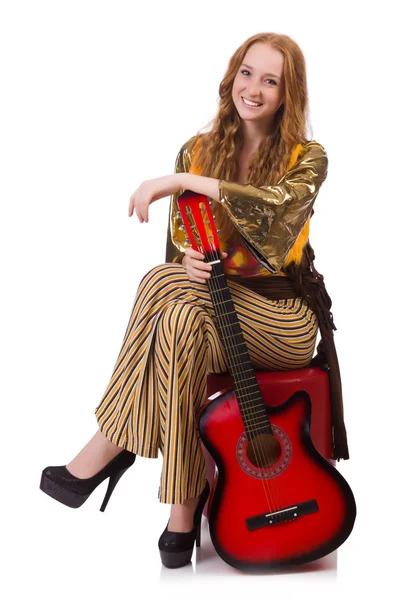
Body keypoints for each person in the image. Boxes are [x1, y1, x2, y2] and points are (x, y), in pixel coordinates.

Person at [40, 32, 349, 569]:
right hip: (210, 311)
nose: (252, 88)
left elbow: (275, 216)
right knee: (172, 300)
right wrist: (188, 262)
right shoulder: (200, 148)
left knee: (168, 293)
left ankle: (111, 445)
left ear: (288, 93)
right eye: (246, 73)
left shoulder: (308, 158)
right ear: (233, 75)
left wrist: (181, 180)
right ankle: (181, 515)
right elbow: (183, 251)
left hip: (283, 318)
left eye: (270, 80)